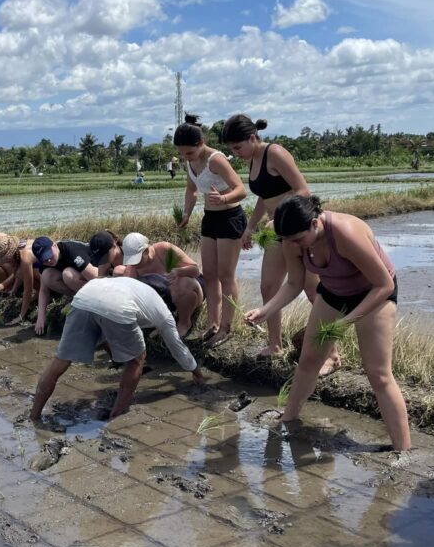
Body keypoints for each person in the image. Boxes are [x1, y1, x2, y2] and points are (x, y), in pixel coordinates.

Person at [245, 195, 411, 451]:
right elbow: (294, 283)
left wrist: (346, 321)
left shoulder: (345, 232)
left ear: (314, 223)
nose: (293, 245)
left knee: (377, 373)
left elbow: (384, 284)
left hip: (373, 293)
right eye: (288, 240)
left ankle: (403, 449)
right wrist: (265, 310)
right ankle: (287, 419)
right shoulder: (292, 239)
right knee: (309, 360)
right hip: (333, 292)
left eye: (298, 239)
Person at [224, 114, 330, 364]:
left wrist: (280, 219)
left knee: (313, 291)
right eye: (231, 149)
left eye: (237, 147)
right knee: (268, 287)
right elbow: (264, 196)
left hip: (296, 229)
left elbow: (303, 190)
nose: (236, 153)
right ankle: (275, 345)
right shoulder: (253, 159)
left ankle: (331, 353)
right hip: (275, 231)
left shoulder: (276, 153)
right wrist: (249, 227)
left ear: (252, 137)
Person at [31, 276, 205, 420]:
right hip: (116, 306)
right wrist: (196, 372)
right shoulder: (163, 311)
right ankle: (115, 415)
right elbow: (176, 346)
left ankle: (34, 415)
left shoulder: (133, 283)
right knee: (137, 359)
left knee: (61, 360)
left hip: (85, 296)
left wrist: (114, 355)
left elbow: (103, 324)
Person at [175, 114, 247, 346]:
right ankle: (213, 324)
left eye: (189, 153)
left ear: (201, 143)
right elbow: (191, 190)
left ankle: (226, 327)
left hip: (230, 218)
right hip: (210, 219)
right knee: (210, 274)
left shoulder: (216, 160)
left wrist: (224, 198)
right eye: (181, 153)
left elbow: (241, 189)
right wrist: (187, 213)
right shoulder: (189, 162)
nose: (185, 157)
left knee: (226, 276)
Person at [114, 232, 204, 337]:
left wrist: (178, 272)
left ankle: (184, 323)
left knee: (182, 283)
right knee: (119, 272)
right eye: (131, 261)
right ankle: (161, 322)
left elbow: (195, 270)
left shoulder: (163, 250)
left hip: (192, 288)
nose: (134, 264)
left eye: (137, 260)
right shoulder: (133, 268)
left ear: (146, 251)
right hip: (168, 298)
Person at [32, 236, 97, 335]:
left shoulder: (72, 251)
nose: (49, 261)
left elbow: (97, 278)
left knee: (68, 275)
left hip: (96, 270)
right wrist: (41, 317)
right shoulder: (45, 263)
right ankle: (77, 298)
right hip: (79, 280)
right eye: (45, 259)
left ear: (54, 245)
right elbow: (43, 290)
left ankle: (90, 300)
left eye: (49, 255)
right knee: (47, 276)